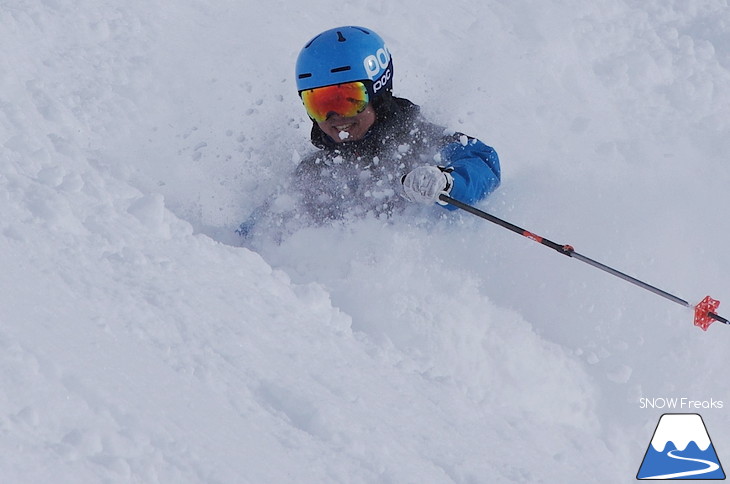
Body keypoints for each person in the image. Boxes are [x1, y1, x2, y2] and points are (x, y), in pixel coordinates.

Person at [239, 26, 500, 239]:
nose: (335, 118)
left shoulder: (422, 141)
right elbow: (257, 235)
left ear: (379, 93)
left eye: (348, 100)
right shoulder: (313, 174)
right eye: (319, 104)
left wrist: (446, 180)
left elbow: (484, 163)